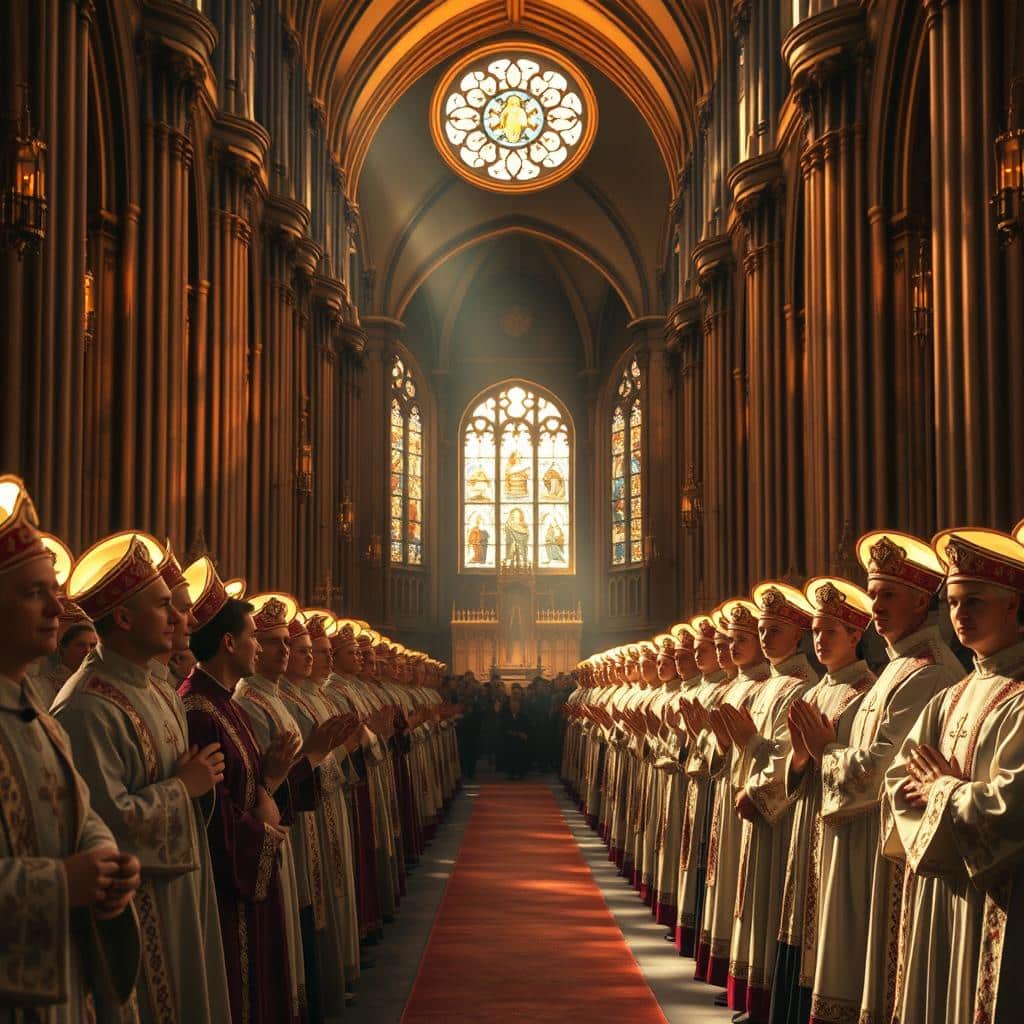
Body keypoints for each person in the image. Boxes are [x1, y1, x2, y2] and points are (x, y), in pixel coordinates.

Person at [54, 530, 233, 1024]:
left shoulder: (159, 690)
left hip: (183, 886)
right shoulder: (86, 706)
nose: (179, 617)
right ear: (125, 618)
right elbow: (101, 823)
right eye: (163, 606)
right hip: (141, 906)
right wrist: (184, 787)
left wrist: (195, 784)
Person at [806, 531, 962, 1024]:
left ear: (921, 601)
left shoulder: (928, 671)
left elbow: (880, 771)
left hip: (885, 847)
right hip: (859, 837)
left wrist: (825, 751)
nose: (876, 605)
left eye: (888, 594)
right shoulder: (900, 666)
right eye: (874, 594)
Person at [0, 475, 140, 1023]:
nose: (57, 609)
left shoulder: (35, 713)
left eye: (54, 592)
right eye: (33, 593)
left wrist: (106, 861)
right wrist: (59, 884)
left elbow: (82, 811)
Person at [884, 528, 1024, 1024]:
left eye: (975, 602)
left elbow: (1013, 805)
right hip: (942, 882)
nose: (960, 615)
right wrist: (932, 793)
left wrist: (942, 790)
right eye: (955, 603)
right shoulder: (950, 697)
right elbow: (898, 777)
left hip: (1000, 893)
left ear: (1012, 606)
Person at [178, 558, 299, 1024]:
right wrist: (261, 832)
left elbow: (248, 786)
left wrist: (271, 778)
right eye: (254, 637)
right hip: (227, 880)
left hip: (246, 864)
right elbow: (214, 809)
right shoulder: (198, 709)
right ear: (229, 642)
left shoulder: (223, 702)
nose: (260, 647)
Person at [770, 577, 875, 1024]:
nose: (819, 640)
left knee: (829, 927)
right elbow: (794, 761)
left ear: (855, 635)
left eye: (829, 631)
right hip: (807, 819)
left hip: (839, 826)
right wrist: (798, 759)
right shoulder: (812, 693)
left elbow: (867, 768)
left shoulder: (866, 691)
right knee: (800, 917)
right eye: (815, 631)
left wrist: (822, 752)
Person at [723, 582, 818, 1023]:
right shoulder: (769, 684)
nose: (765, 638)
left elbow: (789, 753)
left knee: (769, 899)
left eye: (774, 630)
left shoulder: (800, 685)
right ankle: (753, 994)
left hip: (777, 815)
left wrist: (756, 791)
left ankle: (764, 1000)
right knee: (754, 899)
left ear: (798, 634)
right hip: (754, 805)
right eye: (761, 630)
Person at [501, 689, 531, 779]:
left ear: (519, 707)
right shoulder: (506, 716)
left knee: (520, 756)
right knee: (510, 757)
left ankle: (521, 773)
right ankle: (511, 773)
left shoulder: (524, 716)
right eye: (512, 706)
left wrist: (524, 734)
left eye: (516, 706)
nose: (514, 707)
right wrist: (517, 733)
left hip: (520, 742)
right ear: (510, 707)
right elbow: (504, 728)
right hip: (510, 740)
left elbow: (527, 727)